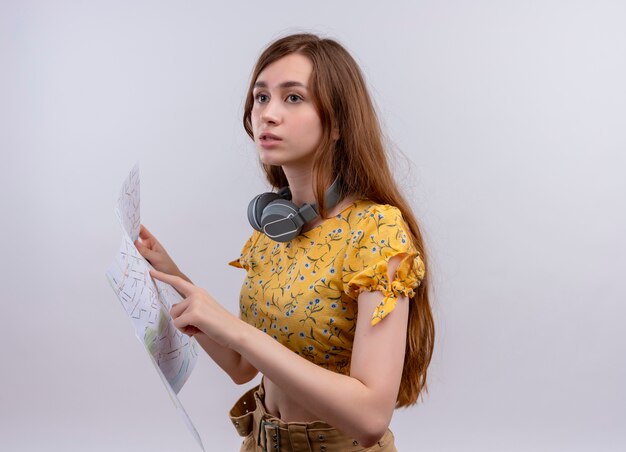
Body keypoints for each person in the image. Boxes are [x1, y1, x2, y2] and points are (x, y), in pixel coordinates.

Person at [138, 33, 434, 451]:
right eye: (261, 98)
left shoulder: (377, 231)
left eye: (292, 98)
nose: (267, 114)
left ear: (338, 123)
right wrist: (171, 276)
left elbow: (370, 418)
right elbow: (243, 367)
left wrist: (233, 329)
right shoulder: (273, 230)